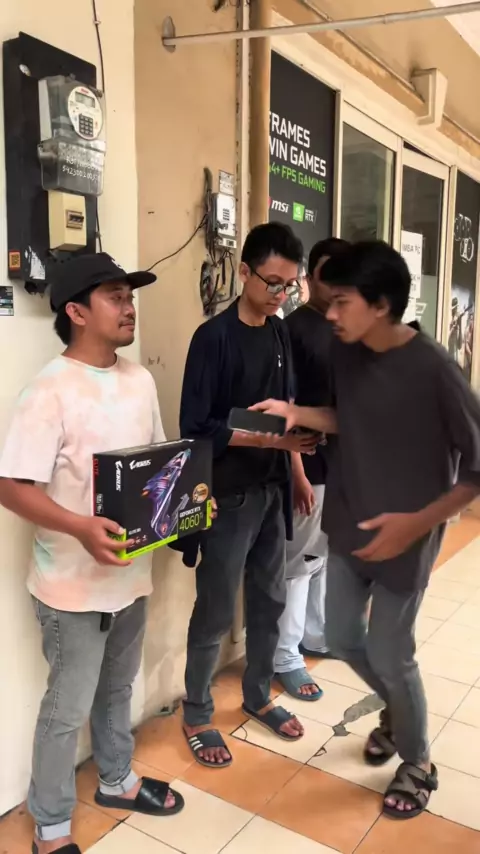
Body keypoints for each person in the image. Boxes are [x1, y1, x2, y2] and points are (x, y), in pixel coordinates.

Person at [251, 240, 480, 820]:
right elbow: (347, 417)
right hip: (349, 523)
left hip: (407, 538)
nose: (329, 312)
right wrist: (297, 413)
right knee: (345, 639)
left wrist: (417, 523)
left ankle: (418, 761)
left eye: (343, 301)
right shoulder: (348, 352)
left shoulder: (435, 370)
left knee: (392, 653)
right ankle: (398, 713)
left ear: (380, 305)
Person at [0, 253, 184, 854]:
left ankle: (116, 780)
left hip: (131, 577)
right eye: (115, 297)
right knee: (66, 708)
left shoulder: (139, 380)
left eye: (130, 296)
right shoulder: (49, 391)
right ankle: (51, 826)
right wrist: (81, 528)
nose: (129, 307)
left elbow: (156, 465)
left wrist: (180, 513)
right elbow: (11, 487)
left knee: (118, 689)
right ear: (76, 312)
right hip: (70, 587)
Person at [179, 222, 319, 767]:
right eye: (271, 282)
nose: (280, 293)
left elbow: (284, 412)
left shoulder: (280, 333)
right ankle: (197, 712)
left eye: (289, 284)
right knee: (215, 610)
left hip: (273, 490)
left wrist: (296, 469)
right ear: (243, 272)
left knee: (269, 601)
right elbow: (197, 426)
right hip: (226, 497)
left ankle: (258, 695)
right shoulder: (212, 339)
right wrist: (269, 439)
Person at [274, 237, 349, 701]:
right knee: (299, 562)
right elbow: (286, 407)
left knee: (325, 558)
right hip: (310, 467)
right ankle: (286, 655)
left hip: (342, 466)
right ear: (310, 276)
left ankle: (317, 636)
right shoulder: (294, 329)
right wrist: (297, 471)